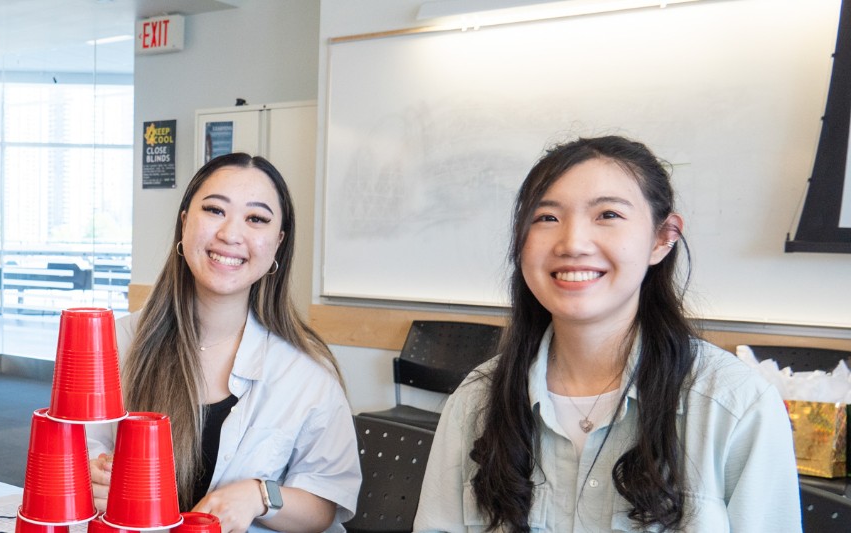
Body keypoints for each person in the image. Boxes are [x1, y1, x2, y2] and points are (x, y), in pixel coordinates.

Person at [412, 136, 800, 532]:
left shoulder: (734, 405)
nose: (573, 243)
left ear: (663, 237)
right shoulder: (476, 401)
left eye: (608, 215)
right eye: (547, 217)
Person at [88, 153, 361, 533]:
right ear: (185, 222)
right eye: (215, 210)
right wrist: (92, 476)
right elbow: (79, 446)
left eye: (256, 219)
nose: (231, 234)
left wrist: (258, 496)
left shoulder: (308, 372)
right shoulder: (116, 342)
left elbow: (325, 506)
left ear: (278, 243)